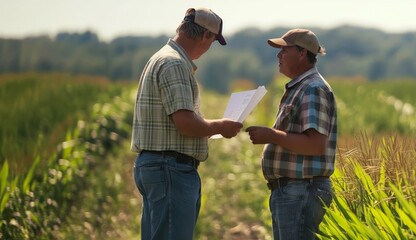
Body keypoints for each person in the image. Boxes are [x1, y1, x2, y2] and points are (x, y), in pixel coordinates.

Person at [131, 7, 243, 240]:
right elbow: (185, 123)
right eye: (212, 41)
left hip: (159, 167)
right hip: (170, 169)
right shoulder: (175, 64)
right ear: (206, 36)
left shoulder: (162, 58)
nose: (209, 47)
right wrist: (220, 126)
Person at [245, 28, 338, 240]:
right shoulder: (301, 87)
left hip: (301, 191)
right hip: (293, 192)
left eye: (284, 50)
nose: (279, 55)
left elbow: (315, 145)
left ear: (302, 53)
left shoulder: (312, 88)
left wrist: (272, 135)